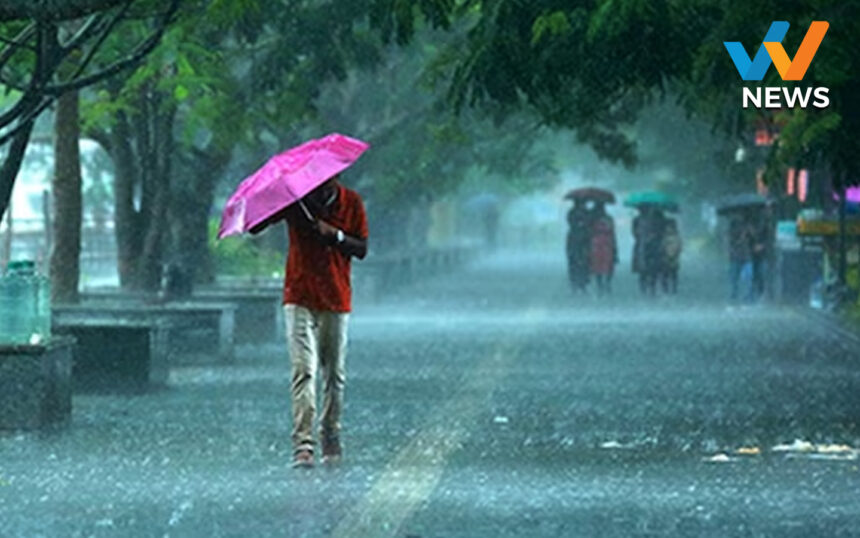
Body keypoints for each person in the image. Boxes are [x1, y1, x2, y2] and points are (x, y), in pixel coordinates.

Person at [251, 174, 368, 468]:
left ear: (337, 177)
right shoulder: (296, 201)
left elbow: (362, 248)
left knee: (334, 374)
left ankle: (330, 432)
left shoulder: (351, 202)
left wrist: (335, 235)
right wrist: (271, 199)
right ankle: (303, 444)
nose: (320, 185)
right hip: (299, 295)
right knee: (303, 370)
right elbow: (256, 227)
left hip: (336, 297)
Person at [589, 201, 617, 295]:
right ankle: (605, 283)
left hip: (598, 243)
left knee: (600, 263)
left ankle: (601, 283)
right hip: (605, 243)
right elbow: (612, 232)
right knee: (605, 263)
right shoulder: (607, 219)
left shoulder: (593, 219)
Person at [566, 198, 591, 292]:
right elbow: (571, 223)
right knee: (574, 261)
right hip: (576, 239)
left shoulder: (586, 212)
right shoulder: (572, 213)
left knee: (584, 262)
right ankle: (575, 283)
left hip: (583, 239)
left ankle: (582, 283)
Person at [728, 215, 754, 303]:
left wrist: (750, 231)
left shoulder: (748, 226)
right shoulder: (733, 227)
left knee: (748, 277)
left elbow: (754, 238)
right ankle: (734, 295)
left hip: (747, 256)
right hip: (735, 256)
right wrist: (742, 236)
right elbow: (732, 242)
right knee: (734, 278)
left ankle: (747, 296)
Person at [660, 218, 682, 294]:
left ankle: (673, 288)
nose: (668, 229)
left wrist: (675, 254)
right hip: (665, 258)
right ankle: (666, 289)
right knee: (665, 274)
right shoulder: (664, 237)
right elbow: (662, 247)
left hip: (674, 258)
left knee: (673, 274)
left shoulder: (676, 237)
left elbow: (679, 248)